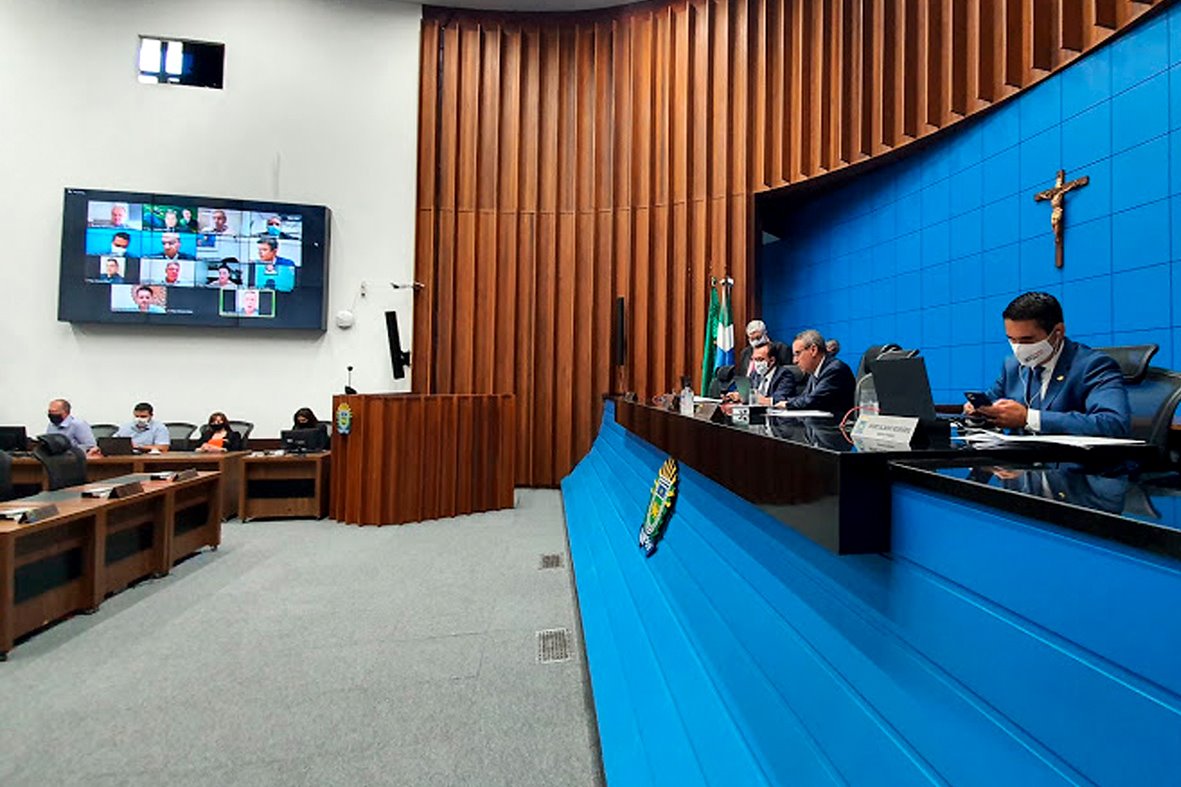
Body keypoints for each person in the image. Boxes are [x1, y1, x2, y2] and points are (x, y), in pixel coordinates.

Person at [967, 291, 1130, 436]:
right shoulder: (1012, 366)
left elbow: (1114, 423)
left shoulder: (1093, 366)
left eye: (1027, 340)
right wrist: (979, 412)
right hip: (1017, 458)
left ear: (1058, 332)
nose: (1018, 348)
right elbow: (993, 405)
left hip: (1070, 459)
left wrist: (1029, 418)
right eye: (1012, 339)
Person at [779, 329, 856, 414]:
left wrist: (787, 404)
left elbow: (813, 401)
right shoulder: (815, 371)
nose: (795, 361)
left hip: (836, 422)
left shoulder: (835, 369)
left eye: (798, 354)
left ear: (813, 350)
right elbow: (804, 397)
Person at [724, 343, 797, 406]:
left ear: (772, 360)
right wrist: (736, 395)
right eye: (754, 359)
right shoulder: (754, 374)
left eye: (760, 359)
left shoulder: (784, 375)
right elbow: (746, 392)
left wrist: (750, 397)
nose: (756, 363)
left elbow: (779, 399)